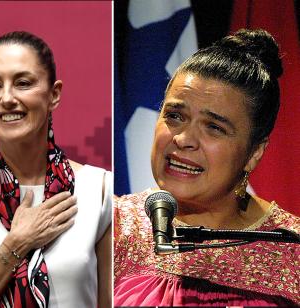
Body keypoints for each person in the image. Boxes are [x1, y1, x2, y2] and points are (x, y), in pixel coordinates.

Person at [113, 29, 299, 306]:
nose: (184, 139)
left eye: (214, 127)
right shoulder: (112, 228)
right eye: (175, 116)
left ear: (254, 152)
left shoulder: (291, 248)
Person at [0, 31, 112, 308]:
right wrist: (17, 244)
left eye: (23, 83)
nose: (6, 98)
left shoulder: (100, 190)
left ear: (54, 94)